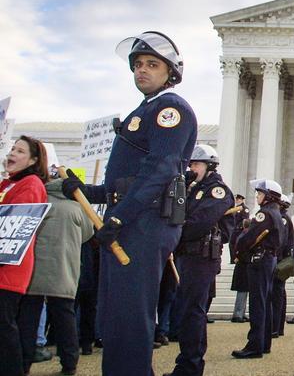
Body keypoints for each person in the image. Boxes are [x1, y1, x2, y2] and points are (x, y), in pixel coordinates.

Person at [61, 31, 197, 376]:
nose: (142, 71)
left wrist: (119, 219)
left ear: (171, 71)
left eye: (152, 64)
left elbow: (161, 170)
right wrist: (85, 191)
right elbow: (122, 183)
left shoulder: (171, 108)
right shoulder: (144, 109)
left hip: (145, 222)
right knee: (116, 315)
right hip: (131, 220)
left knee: (131, 316)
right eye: (138, 65)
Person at [164, 145, 233, 376]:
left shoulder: (217, 191)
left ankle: (190, 366)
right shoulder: (194, 189)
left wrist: (174, 233)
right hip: (189, 256)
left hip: (201, 257)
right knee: (189, 311)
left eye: (196, 164)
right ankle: (188, 363)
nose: (191, 168)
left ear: (210, 166)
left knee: (192, 310)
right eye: (190, 164)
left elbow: (198, 223)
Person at [19, 172, 94, 375]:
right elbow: (88, 234)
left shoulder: (38, 202)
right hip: (64, 270)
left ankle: (24, 363)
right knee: (65, 317)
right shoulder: (76, 207)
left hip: (35, 271)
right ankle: (69, 363)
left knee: (28, 319)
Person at [0, 136, 49, 376]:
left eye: (20, 151)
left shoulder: (30, 184)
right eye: (12, 149)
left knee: (3, 326)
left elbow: (14, 227)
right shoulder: (8, 184)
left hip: (8, 268)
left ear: (33, 160)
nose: (12, 154)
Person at [231, 179, 281, 359]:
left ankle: (254, 346)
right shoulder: (277, 213)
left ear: (268, 196)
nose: (257, 196)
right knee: (265, 302)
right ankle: (264, 343)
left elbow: (249, 237)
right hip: (269, 260)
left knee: (257, 304)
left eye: (260, 193)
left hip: (259, 261)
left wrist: (238, 248)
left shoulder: (264, 214)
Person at [272, 194, 294, 337]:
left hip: (280, 261)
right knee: (279, 294)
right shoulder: (284, 217)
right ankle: (278, 327)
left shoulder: (282, 218)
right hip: (281, 260)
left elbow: (280, 241)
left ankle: (275, 327)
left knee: (276, 295)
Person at [229, 195, 251, 323]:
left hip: (243, 265)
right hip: (243, 266)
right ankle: (238, 314)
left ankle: (240, 313)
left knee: (243, 291)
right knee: (242, 291)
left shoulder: (242, 235)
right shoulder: (243, 236)